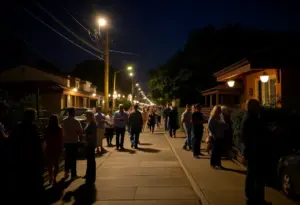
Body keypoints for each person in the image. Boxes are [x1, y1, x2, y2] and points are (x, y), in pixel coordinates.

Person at [8, 109, 46, 204]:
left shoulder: (18, 127)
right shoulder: (32, 127)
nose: (36, 117)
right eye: (35, 115)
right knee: (32, 182)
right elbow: (36, 145)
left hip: (20, 159)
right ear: (32, 117)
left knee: (23, 181)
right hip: (31, 159)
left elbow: (12, 142)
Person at [241, 99, 272, 205]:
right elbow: (252, 137)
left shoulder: (250, 117)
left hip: (254, 151)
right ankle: (256, 199)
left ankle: (253, 198)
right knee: (257, 176)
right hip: (256, 151)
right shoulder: (251, 119)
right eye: (257, 106)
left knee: (252, 175)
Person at [62, 107, 83, 179]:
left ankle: (66, 172)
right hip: (74, 142)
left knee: (67, 158)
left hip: (66, 142)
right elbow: (80, 132)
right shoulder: (76, 121)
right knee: (73, 158)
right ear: (73, 113)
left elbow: (62, 132)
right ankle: (73, 174)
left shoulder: (64, 121)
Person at [44, 115, 63, 185]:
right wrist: (61, 148)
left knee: (50, 164)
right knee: (56, 164)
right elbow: (61, 139)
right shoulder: (59, 129)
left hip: (49, 147)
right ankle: (54, 178)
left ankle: (50, 176)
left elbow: (45, 138)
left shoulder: (47, 128)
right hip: (57, 148)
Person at [83, 111, 97, 184]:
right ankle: (88, 174)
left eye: (87, 116)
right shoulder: (89, 123)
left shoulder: (93, 124)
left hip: (90, 144)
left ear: (91, 116)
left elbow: (91, 134)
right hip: (89, 143)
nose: (86, 117)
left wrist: (86, 140)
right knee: (89, 160)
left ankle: (91, 175)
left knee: (91, 160)